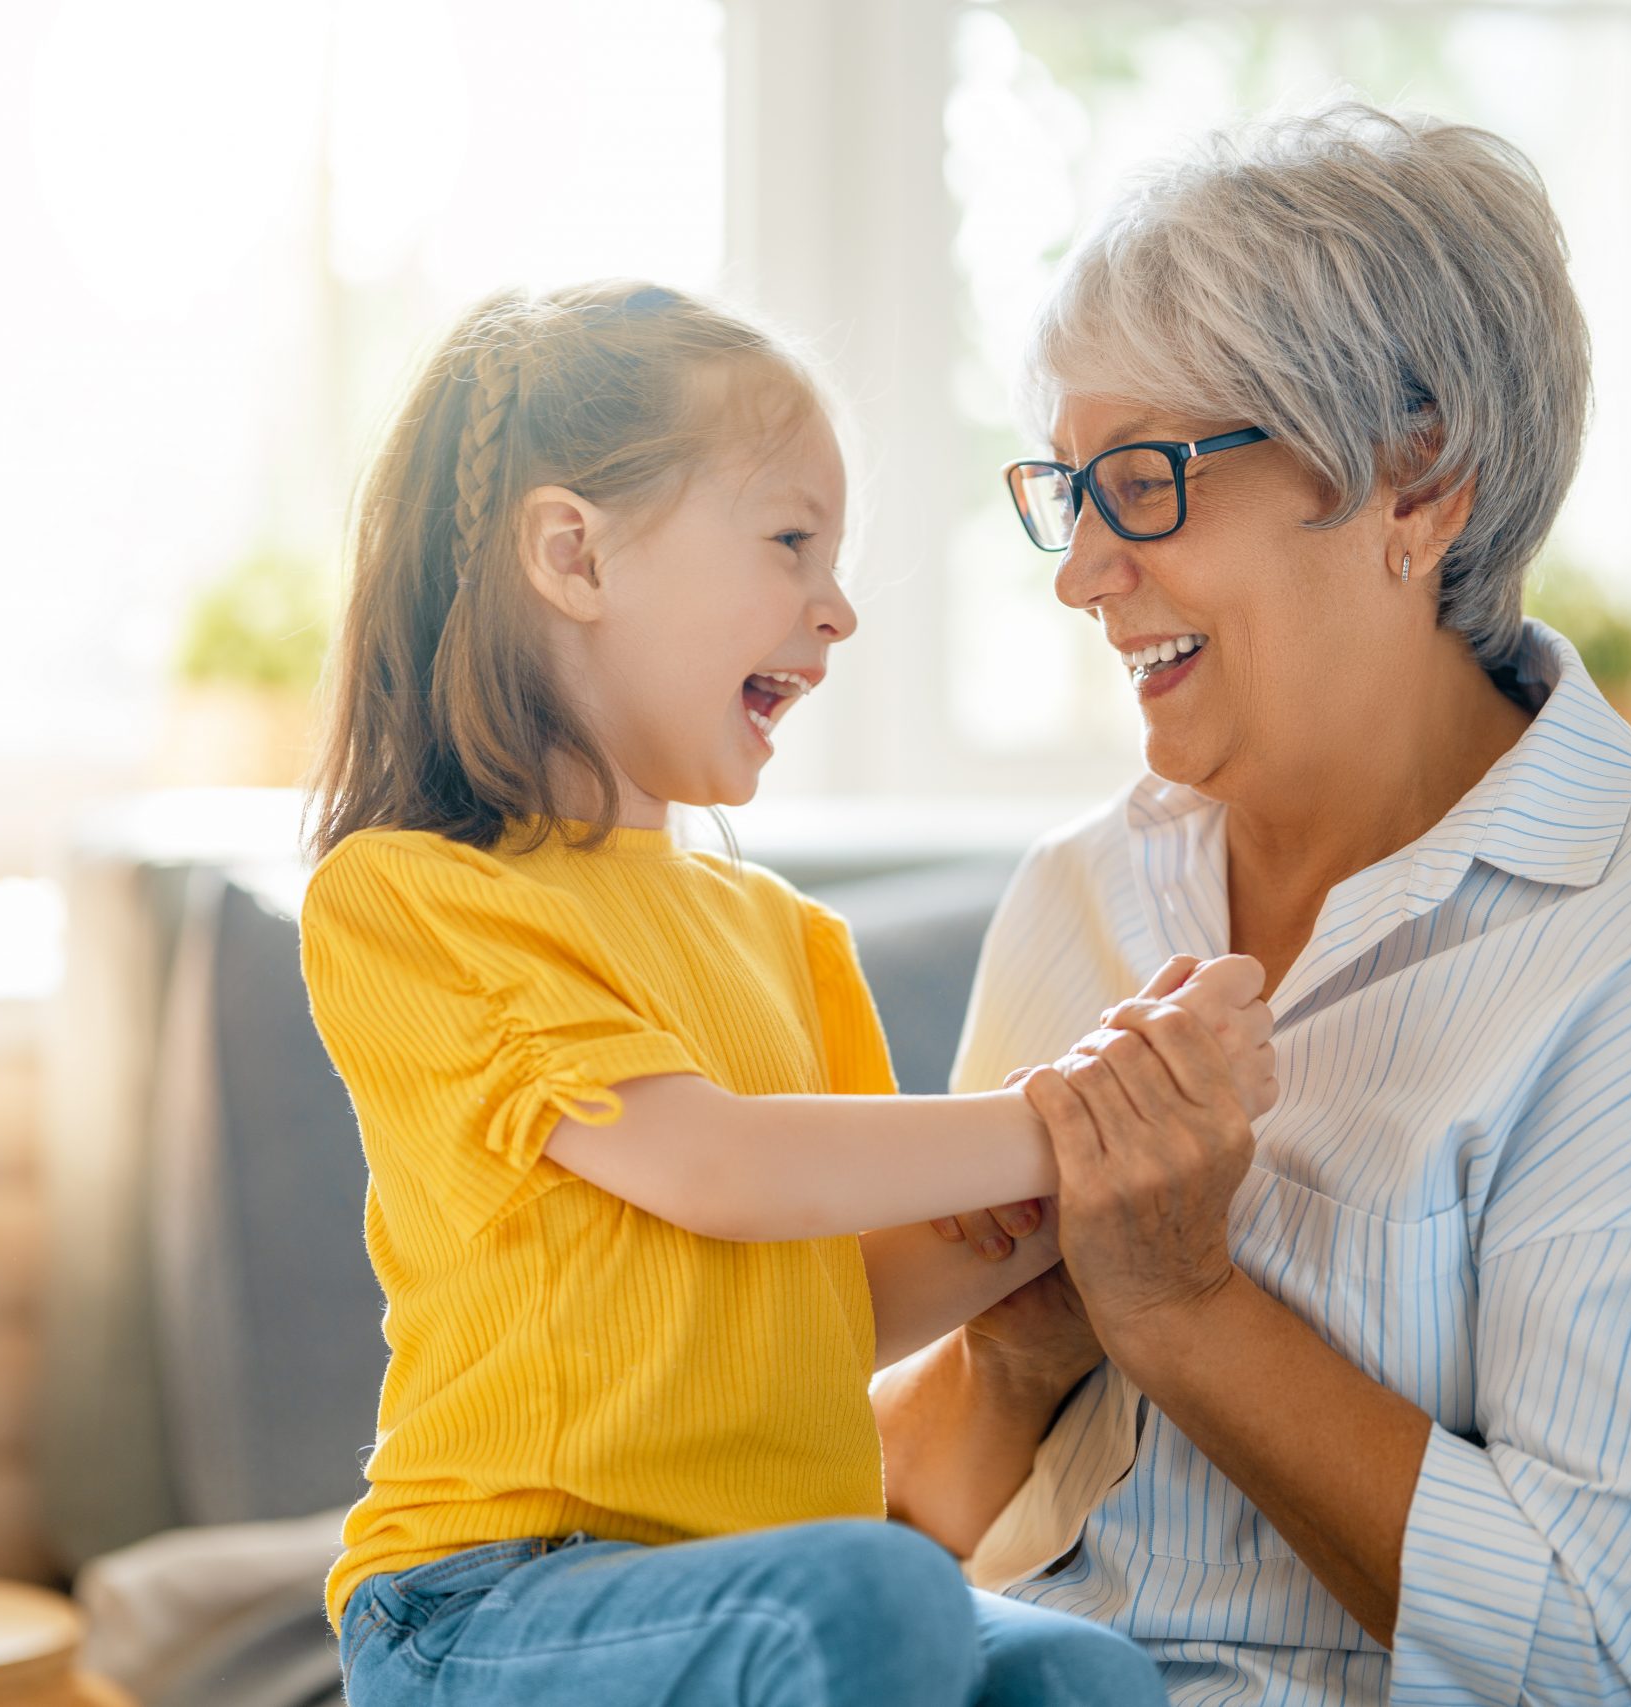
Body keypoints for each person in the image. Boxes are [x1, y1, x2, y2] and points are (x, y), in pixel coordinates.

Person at [876, 105, 1631, 1704]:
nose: (1080, 574)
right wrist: (1015, 1359)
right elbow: (900, 1533)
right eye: (1069, 491)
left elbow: (1615, 1662)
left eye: (1143, 479)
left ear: (1419, 484)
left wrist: (1187, 1310)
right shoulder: (1079, 896)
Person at [297, 279, 1273, 1707]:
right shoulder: (412, 897)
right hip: (491, 1599)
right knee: (875, 1591)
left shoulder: (781, 933)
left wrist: (1134, 1151)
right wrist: (1074, 1112)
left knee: (1083, 1678)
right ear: (574, 555)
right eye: (790, 540)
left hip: (759, 1582)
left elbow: (842, 1301)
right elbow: (718, 1168)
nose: (840, 606)